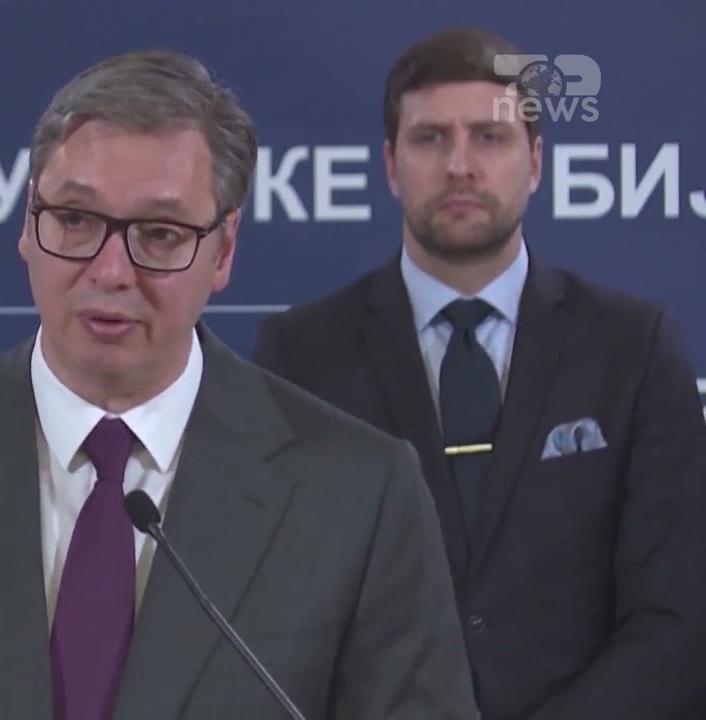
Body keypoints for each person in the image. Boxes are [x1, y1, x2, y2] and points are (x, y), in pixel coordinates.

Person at [0, 49, 478, 719]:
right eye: (76, 220)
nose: (110, 271)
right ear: (28, 223)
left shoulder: (356, 493)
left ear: (223, 252)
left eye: (160, 234)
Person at [251, 28, 706, 720]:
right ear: (390, 165)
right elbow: (276, 613)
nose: (459, 165)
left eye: (489, 138)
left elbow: (678, 619)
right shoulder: (300, 357)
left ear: (536, 162)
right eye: (430, 138)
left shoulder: (634, 349)